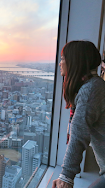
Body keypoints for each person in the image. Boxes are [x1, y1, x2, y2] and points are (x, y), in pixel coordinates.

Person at [52, 41, 105, 188]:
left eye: (63, 59)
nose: (60, 63)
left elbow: (79, 133)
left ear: (75, 61)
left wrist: (66, 177)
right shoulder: (94, 85)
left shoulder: (91, 89)